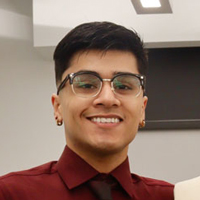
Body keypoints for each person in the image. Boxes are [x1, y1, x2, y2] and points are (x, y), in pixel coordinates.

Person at [0, 21, 174, 200]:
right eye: (87, 84)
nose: (107, 99)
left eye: (123, 85)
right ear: (57, 106)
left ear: (142, 110)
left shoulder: (172, 196)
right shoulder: (10, 193)